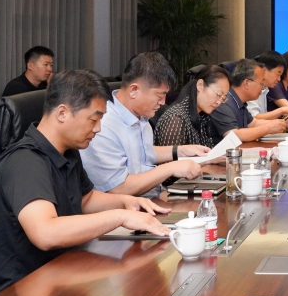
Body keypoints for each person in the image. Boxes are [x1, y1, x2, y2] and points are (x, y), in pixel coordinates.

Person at [0, 69, 171, 295]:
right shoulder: (25, 162)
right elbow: (45, 233)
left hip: (61, 272)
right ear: (62, 113)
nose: (98, 129)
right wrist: (120, 216)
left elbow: (84, 199)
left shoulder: (68, 152)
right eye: (94, 119)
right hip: (20, 294)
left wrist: (126, 202)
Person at [81, 52, 207, 198]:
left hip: (154, 197)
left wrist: (180, 151)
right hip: (129, 208)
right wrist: (170, 168)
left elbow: (141, 152)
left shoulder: (141, 116)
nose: (163, 102)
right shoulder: (104, 126)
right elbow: (118, 188)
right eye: (159, 95)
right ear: (134, 90)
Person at [209, 59, 288, 142]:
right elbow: (233, 135)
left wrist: (283, 123)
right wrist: (268, 128)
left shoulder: (239, 101)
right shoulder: (224, 101)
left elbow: (253, 123)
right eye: (261, 83)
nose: (263, 88)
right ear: (246, 83)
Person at [154, 65, 232, 148]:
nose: (219, 102)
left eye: (223, 98)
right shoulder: (176, 119)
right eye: (218, 94)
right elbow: (173, 156)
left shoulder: (203, 116)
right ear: (200, 85)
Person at [246, 52, 288, 122]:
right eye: (278, 74)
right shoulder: (251, 87)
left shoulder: (265, 89)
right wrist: (282, 110)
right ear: (264, 70)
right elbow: (254, 119)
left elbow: (263, 115)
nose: (279, 79)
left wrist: (285, 120)